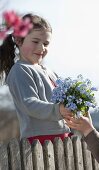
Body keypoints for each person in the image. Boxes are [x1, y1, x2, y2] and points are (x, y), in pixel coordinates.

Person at [0, 13, 73, 144]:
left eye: (46, 43)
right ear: (18, 39)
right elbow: (29, 103)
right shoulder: (20, 70)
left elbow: (63, 101)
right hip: (40, 139)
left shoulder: (51, 72)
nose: (41, 48)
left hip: (62, 136)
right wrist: (59, 110)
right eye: (35, 41)